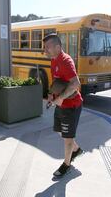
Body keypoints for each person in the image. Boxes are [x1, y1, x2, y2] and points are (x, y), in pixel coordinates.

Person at [43, 33, 84, 178]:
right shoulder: (54, 60)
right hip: (61, 104)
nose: (45, 50)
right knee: (60, 131)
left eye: (48, 48)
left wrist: (60, 98)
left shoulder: (66, 61)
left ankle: (66, 164)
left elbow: (75, 84)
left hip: (72, 105)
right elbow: (56, 80)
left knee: (67, 139)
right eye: (45, 47)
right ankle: (77, 149)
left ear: (58, 47)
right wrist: (50, 94)